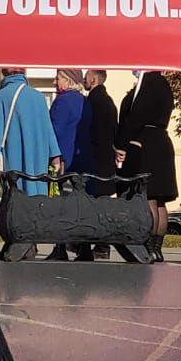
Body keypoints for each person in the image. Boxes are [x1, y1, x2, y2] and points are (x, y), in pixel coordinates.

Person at [0, 68, 63, 262]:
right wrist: (55, 156)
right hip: (38, 159)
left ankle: (20, 242)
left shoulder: (0, 97)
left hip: (14, 160)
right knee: (34, 197)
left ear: (3, 73)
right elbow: (48, 129)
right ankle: (29, 241)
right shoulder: (38, 97)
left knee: (15, 199)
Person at [116, 70, 177, 263]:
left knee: (149, 196)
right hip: (161, 142)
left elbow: (136, 116)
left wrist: (122, 142)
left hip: (147, 143)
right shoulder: (163, 84)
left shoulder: (148, 83)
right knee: (160, 201)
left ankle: (149, 246)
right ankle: (157, 248)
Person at [45, 68, 88, 261]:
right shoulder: (84, 101)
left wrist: (54, 156)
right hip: (81, 161)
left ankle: (60, 247)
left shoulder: (62, 102)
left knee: (62, 206)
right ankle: (83, 247)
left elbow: (55, 131)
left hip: (63, 162)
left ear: (69, 80)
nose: (55, 82)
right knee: (80, 206)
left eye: (58, 78)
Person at [78, 69, 119, 260]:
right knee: (103, 202)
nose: (84, 79)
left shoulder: (93, 101)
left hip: (94, 159)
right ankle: (101, 245)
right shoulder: (108, 101)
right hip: (105, 159)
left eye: (86, 76)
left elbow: (86, 130)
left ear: (93, 79)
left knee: (92, 204)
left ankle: (96, 244)